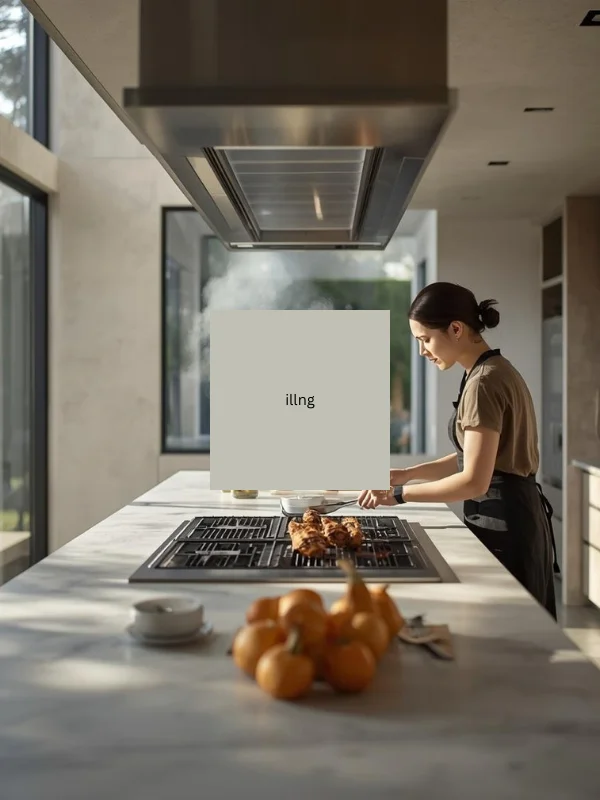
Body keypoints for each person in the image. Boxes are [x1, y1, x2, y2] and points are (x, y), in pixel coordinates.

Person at [358, 281, 559, 619]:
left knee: (507, 635)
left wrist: (400, 494)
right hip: (513, 516)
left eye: (425, 339)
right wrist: (407, 473)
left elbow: (474, 482)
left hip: (505, 524)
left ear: (455, 329)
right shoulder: (490, 371)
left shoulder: (483, 383)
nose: (422, 351)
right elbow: (476, 456)